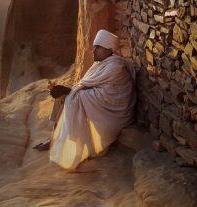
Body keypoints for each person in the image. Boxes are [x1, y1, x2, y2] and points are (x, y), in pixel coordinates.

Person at [33, 29, 135, 170]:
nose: (93, 51)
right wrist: (66, 90)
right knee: (66, 97)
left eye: (97, 48)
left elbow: (106, 97)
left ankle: (77, 146)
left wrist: (69, 91)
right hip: (98, 107)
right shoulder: (99, 64)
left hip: (112, 114)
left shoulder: (115, 67)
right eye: (94, 47)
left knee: (72, 98)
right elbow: (84, 86)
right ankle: (54, 138)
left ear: (109, 50)